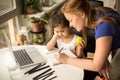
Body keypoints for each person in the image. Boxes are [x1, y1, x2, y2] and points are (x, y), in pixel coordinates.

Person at [54, 0, 120, 80]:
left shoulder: (103, 26)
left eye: (71, 20)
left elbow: (96, 66)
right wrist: (103, 59)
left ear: (82, 14)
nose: (70, 25)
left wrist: (67, 60)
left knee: (112, 76)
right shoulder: (95, 14)